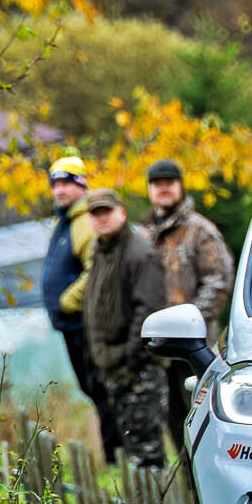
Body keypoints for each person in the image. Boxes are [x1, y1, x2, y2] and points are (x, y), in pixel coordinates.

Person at [144, 157, 233, 447]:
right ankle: (185, 478)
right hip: (159, 351)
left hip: (194, 348)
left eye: (169, 182)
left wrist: (187, 325)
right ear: (149, 189)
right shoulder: (145, 234)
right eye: (157, 183)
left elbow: (219, 281)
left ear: (180, 186)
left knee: (202, 425)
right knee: (174, 426)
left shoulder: (200, 230)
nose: (163, 188)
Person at [81, 188, 169, 468]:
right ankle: (142, 497)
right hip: (113, 368)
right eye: (95, 213)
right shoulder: (100, 251)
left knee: (147, 452)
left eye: (106, 211)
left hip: (138, 370)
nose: (101, 218)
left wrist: (130, 357)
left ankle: (157, 498)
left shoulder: (140, 253)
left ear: (122, 212)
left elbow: (149, 312)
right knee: (131, 449)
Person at [42, 154, 118, 462]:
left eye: (66, 184)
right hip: (71, 327)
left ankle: (117, 459)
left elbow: (97, 269)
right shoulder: (65, 221)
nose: (59, 190)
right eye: (55, 185)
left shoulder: (84, 221)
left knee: (102, 390)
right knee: (93, 390)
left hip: (87, 324)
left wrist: (67, 301)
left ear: (81, 185)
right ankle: (114, 458)